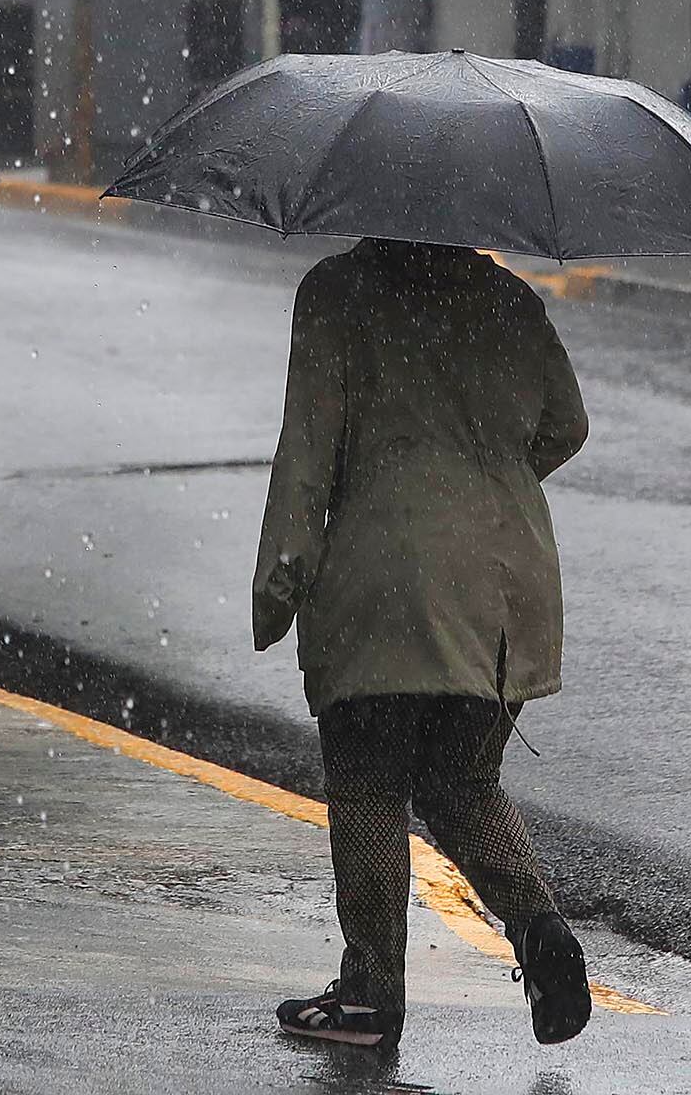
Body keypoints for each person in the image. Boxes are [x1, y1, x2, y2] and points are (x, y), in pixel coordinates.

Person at [254, 237, 595, 1050]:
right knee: (464, 784)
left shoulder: (338, 292)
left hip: (386, 575)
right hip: (504, 577)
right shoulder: (509, 298)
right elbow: (566, 424)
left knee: (369, 784)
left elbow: (307, 455)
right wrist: (481, 483)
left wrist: (280, 582)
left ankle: (371, 994)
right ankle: (541, 929)